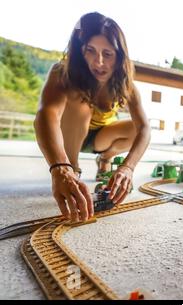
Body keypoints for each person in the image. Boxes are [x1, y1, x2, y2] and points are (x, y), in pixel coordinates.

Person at [34, 12, 150, 223]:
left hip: (101, 138)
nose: (99, 62)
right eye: (91, 51)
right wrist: (61, 168)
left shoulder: (126, 81)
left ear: (119, 56)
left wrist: (127, 167)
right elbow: (47, 114)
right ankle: (73, 168)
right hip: (70, 133)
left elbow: (144, 129)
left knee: (136, 127)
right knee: (82, 107)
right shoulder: (62, 71)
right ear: (81, 50)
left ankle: (104, 158)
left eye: (107, 54)